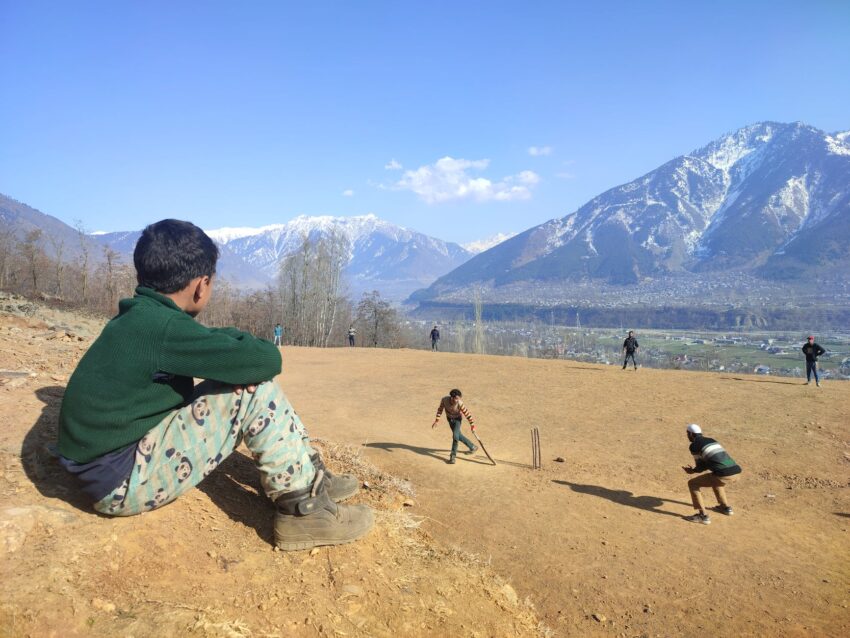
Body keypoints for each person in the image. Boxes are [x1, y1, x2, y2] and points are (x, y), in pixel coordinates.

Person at [56, 219, 373, 551]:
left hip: (104, 467)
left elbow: (216, 347)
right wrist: (236, 342)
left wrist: (222, 343)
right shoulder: (162, 329)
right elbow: (266, 360)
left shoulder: (141, 318)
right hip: (119, 482)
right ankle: (302, 513)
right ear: (201, 285)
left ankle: (306, 474)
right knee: (255, 390)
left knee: (233, 377)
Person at [681, 423, 742, 525]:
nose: (687, 436)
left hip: (723, 474)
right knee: (715, 478)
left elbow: (701, 466)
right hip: (736, 471)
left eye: (687, 434)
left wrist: (693, 471)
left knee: (692, 483)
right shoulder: (711, 440)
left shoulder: (694, 446)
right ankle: (725, 508)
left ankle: (703, 516)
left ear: (691, 434)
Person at [431, 389, 478, 464]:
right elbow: (440, 410)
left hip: (457, 420)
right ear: (452, 398)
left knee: (455, 437)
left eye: (459, 398)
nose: (458, 400)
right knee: (458, 435)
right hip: (449, 419)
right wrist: (437, 421)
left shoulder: (460, 403)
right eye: (456, 398)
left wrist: (472, 425)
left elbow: (467, 414)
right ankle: (472, 447)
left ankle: (452, 457)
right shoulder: (444, 400)